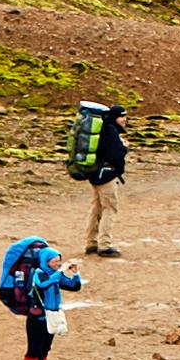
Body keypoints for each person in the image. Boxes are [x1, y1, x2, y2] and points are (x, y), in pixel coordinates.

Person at [0, 235, 84, 360]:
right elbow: (44, 284)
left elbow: (74, 287)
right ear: (45, 261)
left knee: (44, 349)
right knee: (34, 349)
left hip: (49, 317)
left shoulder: (53, 274)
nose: (58, 264)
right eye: (54, 261)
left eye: (58, 261)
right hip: (36, 318)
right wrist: (60, 274)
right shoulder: (39, 275)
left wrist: (74, 274)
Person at [64, 96, 131, 258]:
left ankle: (91, 242)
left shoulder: (102, 129)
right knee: (109, 208)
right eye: (123, 116)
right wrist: (124, 148)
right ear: (116, 117)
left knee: (96, 208)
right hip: (106, 176)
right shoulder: (110, 131)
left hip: (94, 174)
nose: (125, 120)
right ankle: (105, 245)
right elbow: (115, 154)